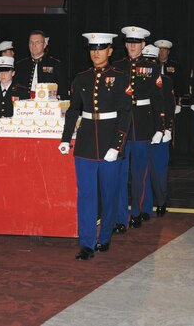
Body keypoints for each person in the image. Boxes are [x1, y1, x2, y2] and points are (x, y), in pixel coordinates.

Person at [59, 32, 131, 261]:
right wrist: (64, 138)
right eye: (92, 49)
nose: (96, 53)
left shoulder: (121, 76)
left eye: (101, 49)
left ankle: (105, 236)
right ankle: (87, 243)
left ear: (110, 51)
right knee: (86, 195)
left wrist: (117, 145)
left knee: (109, 194)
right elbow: (73, 111)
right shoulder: (81, 78)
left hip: (110, 141)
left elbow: (125, 113)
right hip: (86, 143)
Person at [112, 26, 165, 232]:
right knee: (119, 173)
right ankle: (119, 218)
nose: (133, 46)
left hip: (142, 125)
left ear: (143, 45)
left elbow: (158, 99)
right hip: (120, 126)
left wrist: (160, 127)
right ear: (125, 44)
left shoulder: (152, 68)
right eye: (129, 42)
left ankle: (136, 213)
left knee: (139, 173)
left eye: (137, 43)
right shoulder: (116, 66)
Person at [142, 44, 175, 217]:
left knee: (159, 171)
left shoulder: (166, 81)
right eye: (144, 61)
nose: (147, 65)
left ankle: (161, 202)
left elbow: (169, 106)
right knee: (143, 172)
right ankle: (146, 207)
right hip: (141, 131)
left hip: (160, 132)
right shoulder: (134, 81)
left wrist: (167, 129)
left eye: (151, 61)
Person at [14, 30, 68, 99]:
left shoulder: (56, 65)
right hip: (24, 105)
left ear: (44, 45)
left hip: (47, 106)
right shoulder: (20, 65)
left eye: (37, 42)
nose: (34, 45)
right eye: (31, 42)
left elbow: (63, 91)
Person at [0, 56, 29, 135]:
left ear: (13, 73)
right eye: (0, 71)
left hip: (14, 131)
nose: (2, 74)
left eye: (6, 71)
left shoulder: (22, 92)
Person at [154, 40, 184, 114]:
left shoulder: (176, 66)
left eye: (164, 50)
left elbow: (179, 84)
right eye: (160, 50)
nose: (162, 52)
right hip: (155, 99)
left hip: (170, 99)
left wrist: (178, 103)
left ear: (168, 52)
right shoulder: (152, 65)